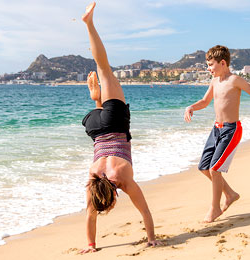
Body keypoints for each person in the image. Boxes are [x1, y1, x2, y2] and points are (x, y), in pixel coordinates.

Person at [78, 2, 160, 253]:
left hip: (113, 123)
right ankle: (96, 98)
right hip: (94, 127)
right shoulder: (92, 182)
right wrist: (90, 244)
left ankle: (89, 24)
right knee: (103, 93)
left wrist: (152, 239)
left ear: (112, 197)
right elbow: (90, 216)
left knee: (104, 67)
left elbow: (144, 210)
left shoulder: (123, 179)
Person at [183, 45, 250, 223]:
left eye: (211, 64)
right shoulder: (214, 81)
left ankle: (215, 208)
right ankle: (230, 194)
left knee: (215, 169)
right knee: (203, 167)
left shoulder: (235, 80)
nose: (208, 68)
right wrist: (191, 107)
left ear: (222, 63)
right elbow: (205, 101)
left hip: (231, 130)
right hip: (216, 129)